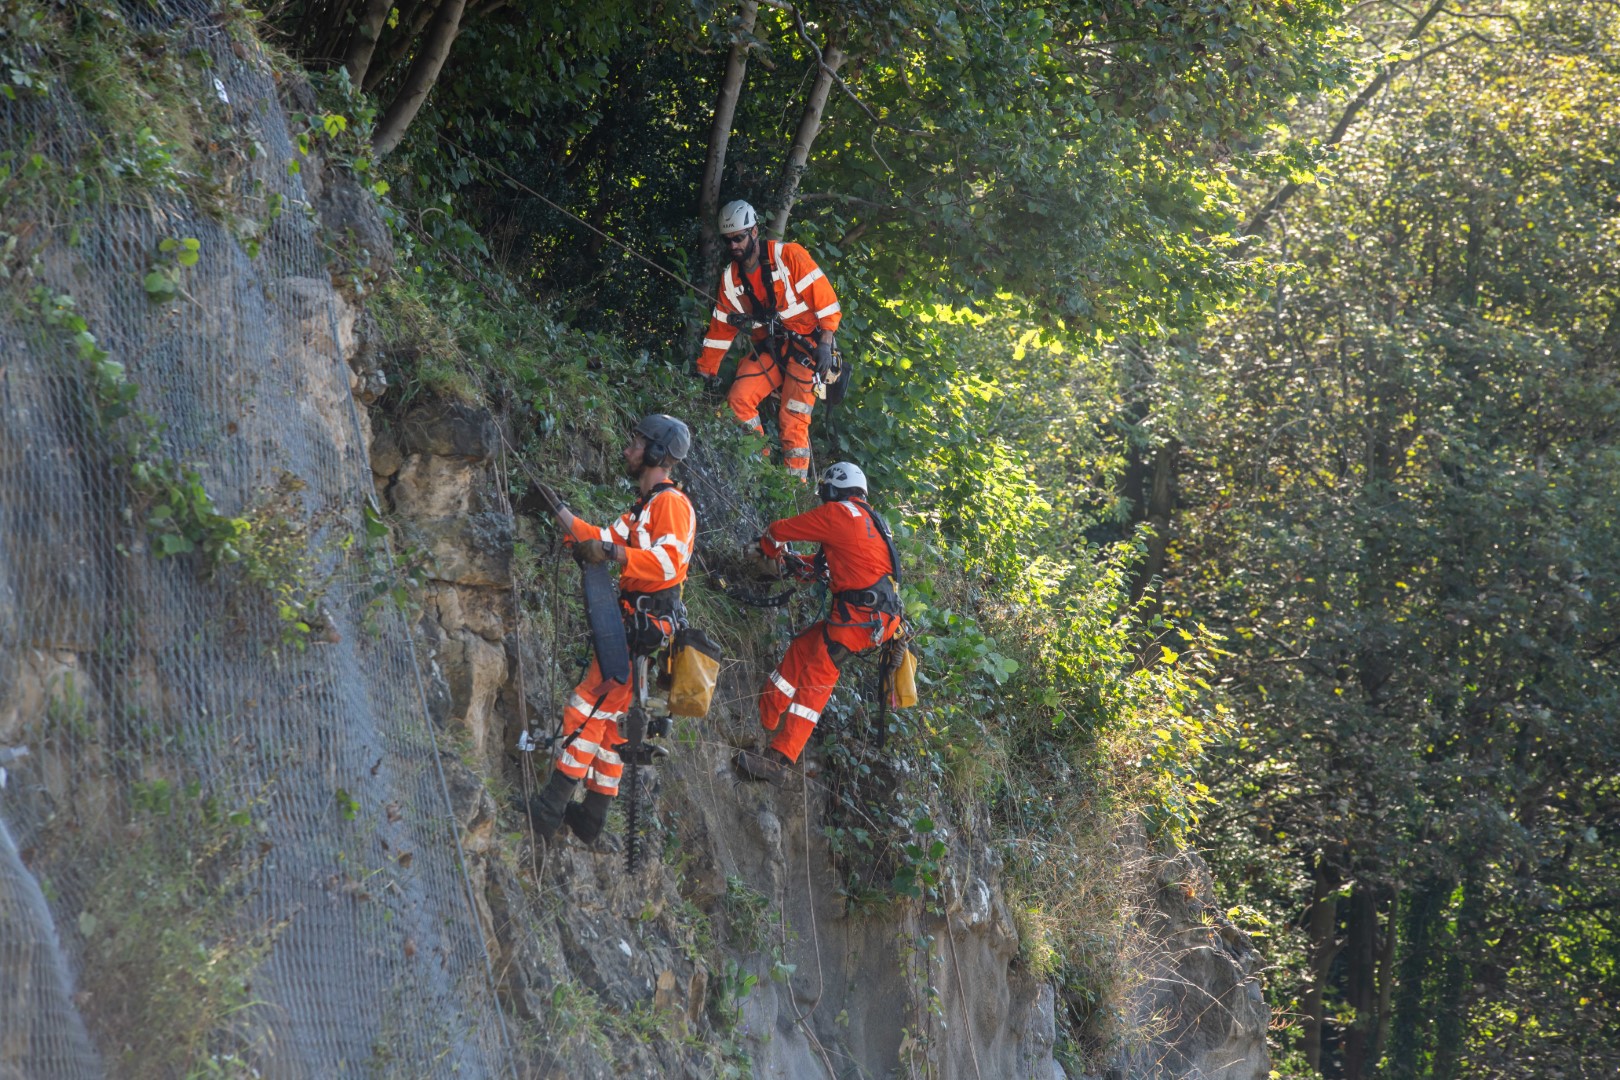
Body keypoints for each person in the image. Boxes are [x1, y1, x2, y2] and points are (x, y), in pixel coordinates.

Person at [524, 414, 696, 842]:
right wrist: (558, 510)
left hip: (645, 624)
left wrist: (613, 553)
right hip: (634, 624)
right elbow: (599, 538)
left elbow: (667, 562)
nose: (628, 449)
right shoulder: (644, 508)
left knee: (587, 707)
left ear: (656, 452)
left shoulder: (671, 505)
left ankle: (549, 809)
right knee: (609, 721)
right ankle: (593, 815)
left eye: (636, 443)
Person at [735, 462, 904, 783]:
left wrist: (769, 549)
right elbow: (840, 566)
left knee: (819, 673)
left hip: (861, 616)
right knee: (802, 649)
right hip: (874, 615)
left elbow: (778, 530)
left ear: (833, 490)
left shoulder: (839, 514)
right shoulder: (871, 520)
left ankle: (781, 759)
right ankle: (762, 722)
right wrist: (796, 564)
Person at [695, 199, 842, 481]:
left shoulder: (789, 257)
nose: (733, 246)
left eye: (738, 238)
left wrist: (825, 343)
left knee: (792, 419)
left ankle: (792, 490)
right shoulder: (731, 280)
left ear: (753, 232)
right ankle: (759, 470)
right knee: (737, 400)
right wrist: (705, 371)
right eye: (728, 241)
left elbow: (827, 303)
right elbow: (719, 331)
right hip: (772, 348)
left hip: (807, 349)